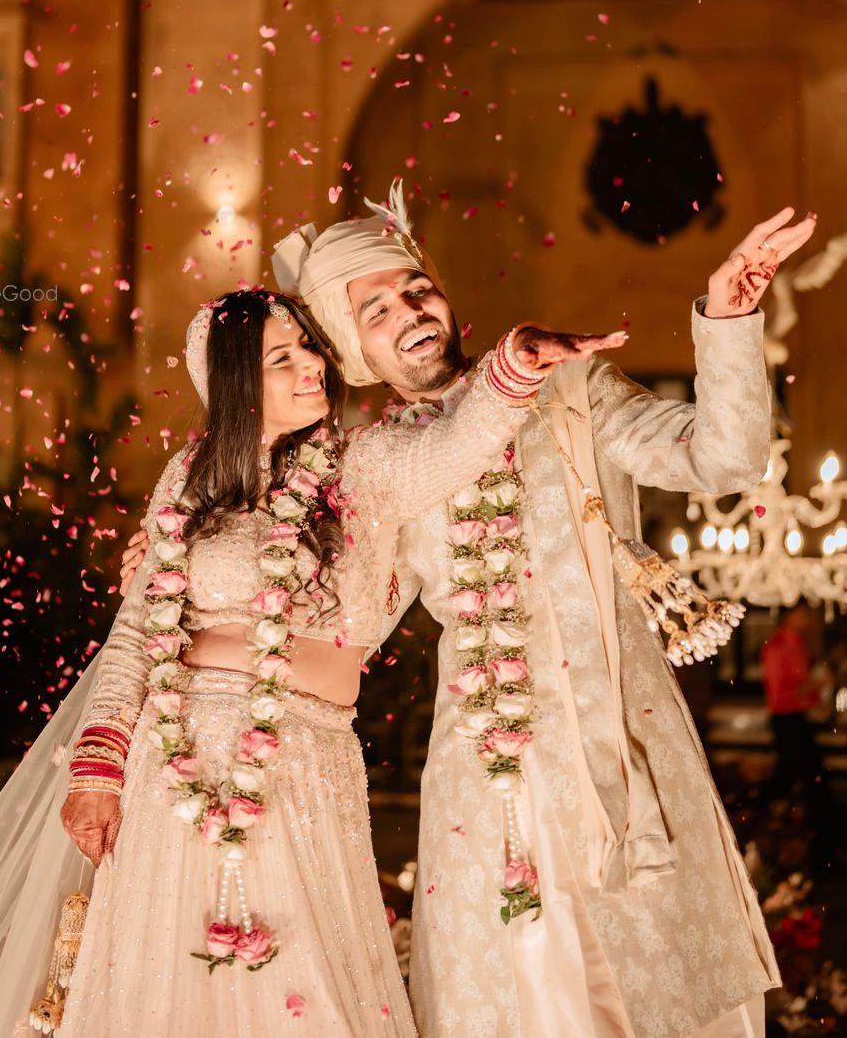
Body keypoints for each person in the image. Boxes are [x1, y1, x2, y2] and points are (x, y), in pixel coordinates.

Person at [126, 195, 815, 1038]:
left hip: (622, 753)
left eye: (416, 288)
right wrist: (188, 571)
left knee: (661, 997)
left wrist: (731, 315)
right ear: (351, 348)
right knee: (511, 1004)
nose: (409, 313)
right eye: (374, 310)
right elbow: (331, 612)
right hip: (485, 782)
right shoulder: (368, 467)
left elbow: (724, 456)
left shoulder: (568, 385)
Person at [0, 288, 620, 1038]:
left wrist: (519, 363)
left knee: (307, 979)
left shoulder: (362, 467)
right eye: (280, 358)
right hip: (179, 762)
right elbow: (136, 631)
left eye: (307, 347)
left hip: (307, 760)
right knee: (166, 979)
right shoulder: (189, 480)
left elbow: (457, 442)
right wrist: (99, 767)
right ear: (234, 385)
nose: (309, 366)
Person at [761, 601, 837, 856]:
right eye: (802, 613)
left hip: (798, 719)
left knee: (802, 777)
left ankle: (821, 838)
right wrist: (815, 686)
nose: (807, 618)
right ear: (789, 616)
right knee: (804, 777)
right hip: (786, 720)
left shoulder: (801, 645)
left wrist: (818, 698)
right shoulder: (776, 648)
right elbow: (779, 695)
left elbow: (802, 688)